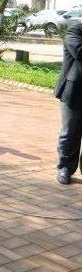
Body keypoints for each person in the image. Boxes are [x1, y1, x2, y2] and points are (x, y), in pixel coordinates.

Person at [55, 22, 82, 184]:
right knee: (70, 132)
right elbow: (79, 52)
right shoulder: (75, 30)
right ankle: (65, 168)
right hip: (74, 91)